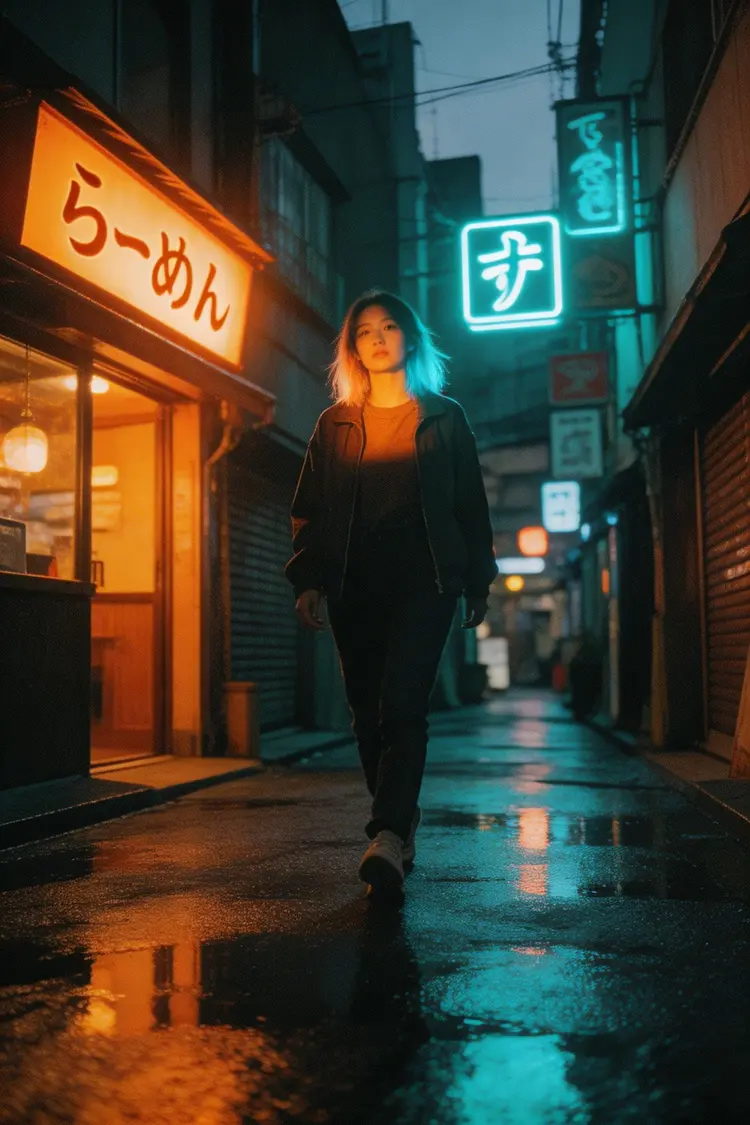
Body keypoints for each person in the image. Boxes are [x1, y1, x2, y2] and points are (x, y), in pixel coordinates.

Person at [285, 289, 496, 895]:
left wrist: (477, 579)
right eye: (364, 331)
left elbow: (469, 505)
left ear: (411, 337)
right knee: (366, 712)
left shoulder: (443, 416)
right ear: (352, 348)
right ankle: (401, 823)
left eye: (390, 327)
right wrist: (309, 580)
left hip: (425, 584)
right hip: (355, 582)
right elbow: (312, 511)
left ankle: (385, 830)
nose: (377, 338)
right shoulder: (335, 423)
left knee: (404, 704)